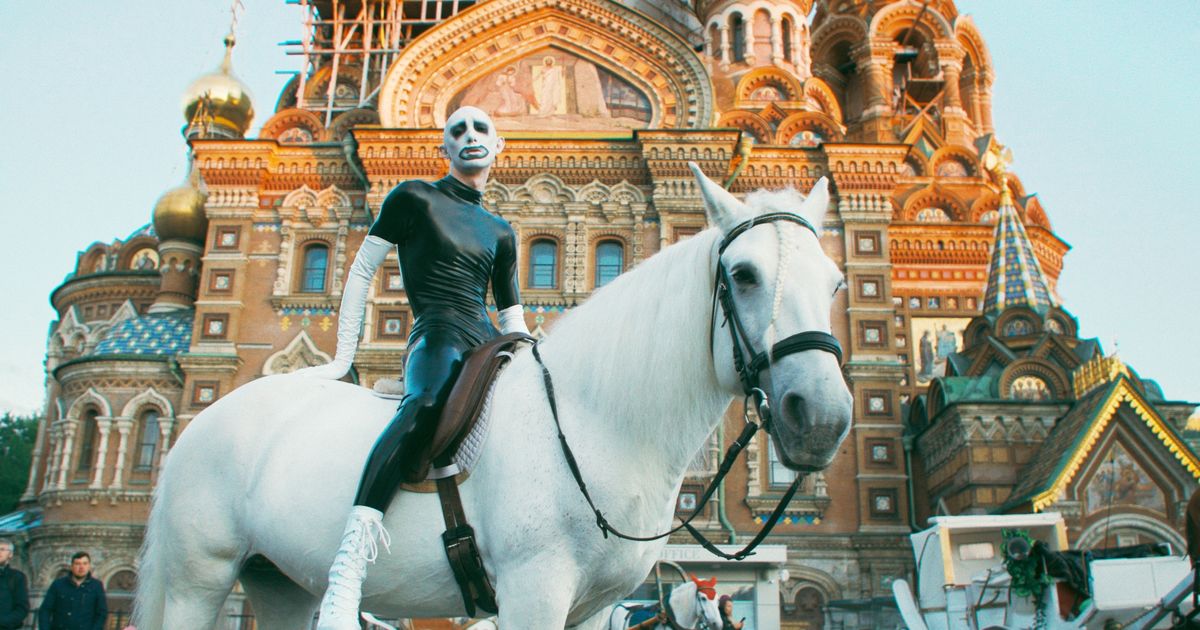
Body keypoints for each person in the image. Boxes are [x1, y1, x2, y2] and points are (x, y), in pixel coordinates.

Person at [302, 105, 529, 629]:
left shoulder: (500, 231)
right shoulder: (414, 198)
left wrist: (530, 358)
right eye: (457, 130)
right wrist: (342, 358)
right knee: (424, 404)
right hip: (439, 334)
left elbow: (511, 313)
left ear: (499, 145)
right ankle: (347, 574)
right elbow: (362, 270)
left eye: (481, 129)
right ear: (444, 148)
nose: (470, 136)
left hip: (488, 343)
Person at [38, 551, 107, 630]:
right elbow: (45, 610)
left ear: (89, 566)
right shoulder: (58, 585)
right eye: (77, 564)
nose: (81, 567)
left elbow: (101, 613)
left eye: (85, 563)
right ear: (71, 566)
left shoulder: (96, 586)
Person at [0, 539, 29, 630]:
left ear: (10, 554)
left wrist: (3, 622)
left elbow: (22, 608)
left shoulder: (17, 577)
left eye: (2, 549)